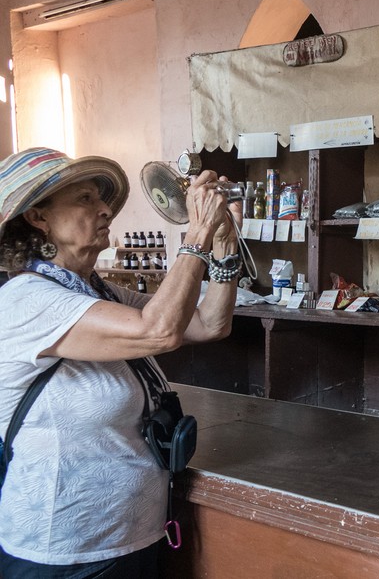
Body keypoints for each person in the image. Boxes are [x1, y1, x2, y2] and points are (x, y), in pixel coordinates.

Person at [0, 147, 241, 577]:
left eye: (101, 198)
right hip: (66, 550)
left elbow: (209, 324)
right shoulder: (27, 300)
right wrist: (198, 231)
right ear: (38, 217)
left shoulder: (100, 293)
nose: (106, 209)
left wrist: (224, 243)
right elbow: (159, 331)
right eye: (85, 199)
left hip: (131, 536)